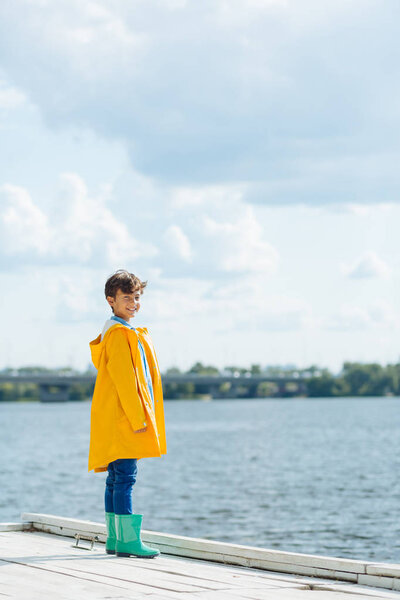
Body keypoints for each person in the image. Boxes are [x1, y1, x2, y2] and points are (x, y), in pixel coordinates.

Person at [88, 269, 167, 558]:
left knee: (116, 478)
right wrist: (138, 420)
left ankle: (114, 539)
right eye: (126, 298)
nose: (133, 303)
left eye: (136, 297)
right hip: (125, 419)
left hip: (114, 417)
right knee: (125, 478)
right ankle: (128, 541)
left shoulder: (120, 331)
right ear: (111, 300)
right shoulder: (120, 335)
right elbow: (124, 381)